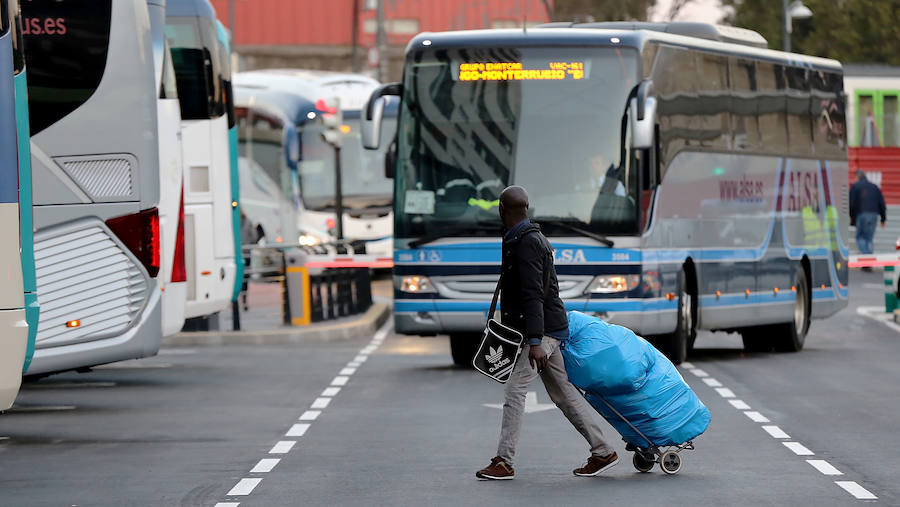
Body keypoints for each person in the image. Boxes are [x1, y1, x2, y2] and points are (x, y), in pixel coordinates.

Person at [475, 185, 617, 481]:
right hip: (543, 327)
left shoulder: (527, 242)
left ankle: (504, 461)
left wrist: (537, 340)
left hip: (541, 331)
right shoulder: (522, 237)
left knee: (515, 390)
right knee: (564, 393)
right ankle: (602, 451)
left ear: (502, 210)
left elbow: (533, 294)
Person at [849, 170, 886, 259]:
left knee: (860, 237)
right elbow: (882, 203)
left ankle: (867, 258)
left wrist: (852, 219)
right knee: (869, 238)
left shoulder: (855, 186)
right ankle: (869, 258)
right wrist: (883, 219)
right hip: (874, 215)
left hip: (861, 215)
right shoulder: (875, 187)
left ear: (857, 177)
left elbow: (851, 204)